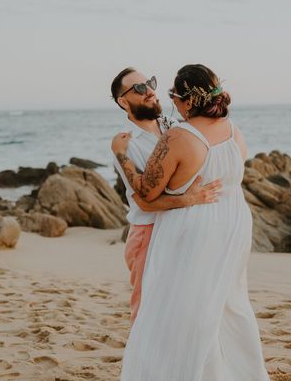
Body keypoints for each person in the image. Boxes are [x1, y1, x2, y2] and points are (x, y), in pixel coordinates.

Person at [113, 64, 269, 380]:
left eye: (165, 91)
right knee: (219, 306)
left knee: (173, 313)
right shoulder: (234, 131)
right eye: (140, 88)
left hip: (195, 234)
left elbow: (145, 192)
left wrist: (121, 155)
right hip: (231, 228)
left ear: (186, 100)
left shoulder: (179, 135)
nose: (157, 93)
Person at [110, 67, 222, 323]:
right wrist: (190, 199)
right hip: (147, 233)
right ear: (123, 101)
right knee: (146, 308)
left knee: (176, 306)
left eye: (150, 82)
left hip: (177, 229)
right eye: (139, 88)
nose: (149, 90)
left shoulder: (172, 126)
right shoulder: (127, 143)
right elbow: (144, 202)